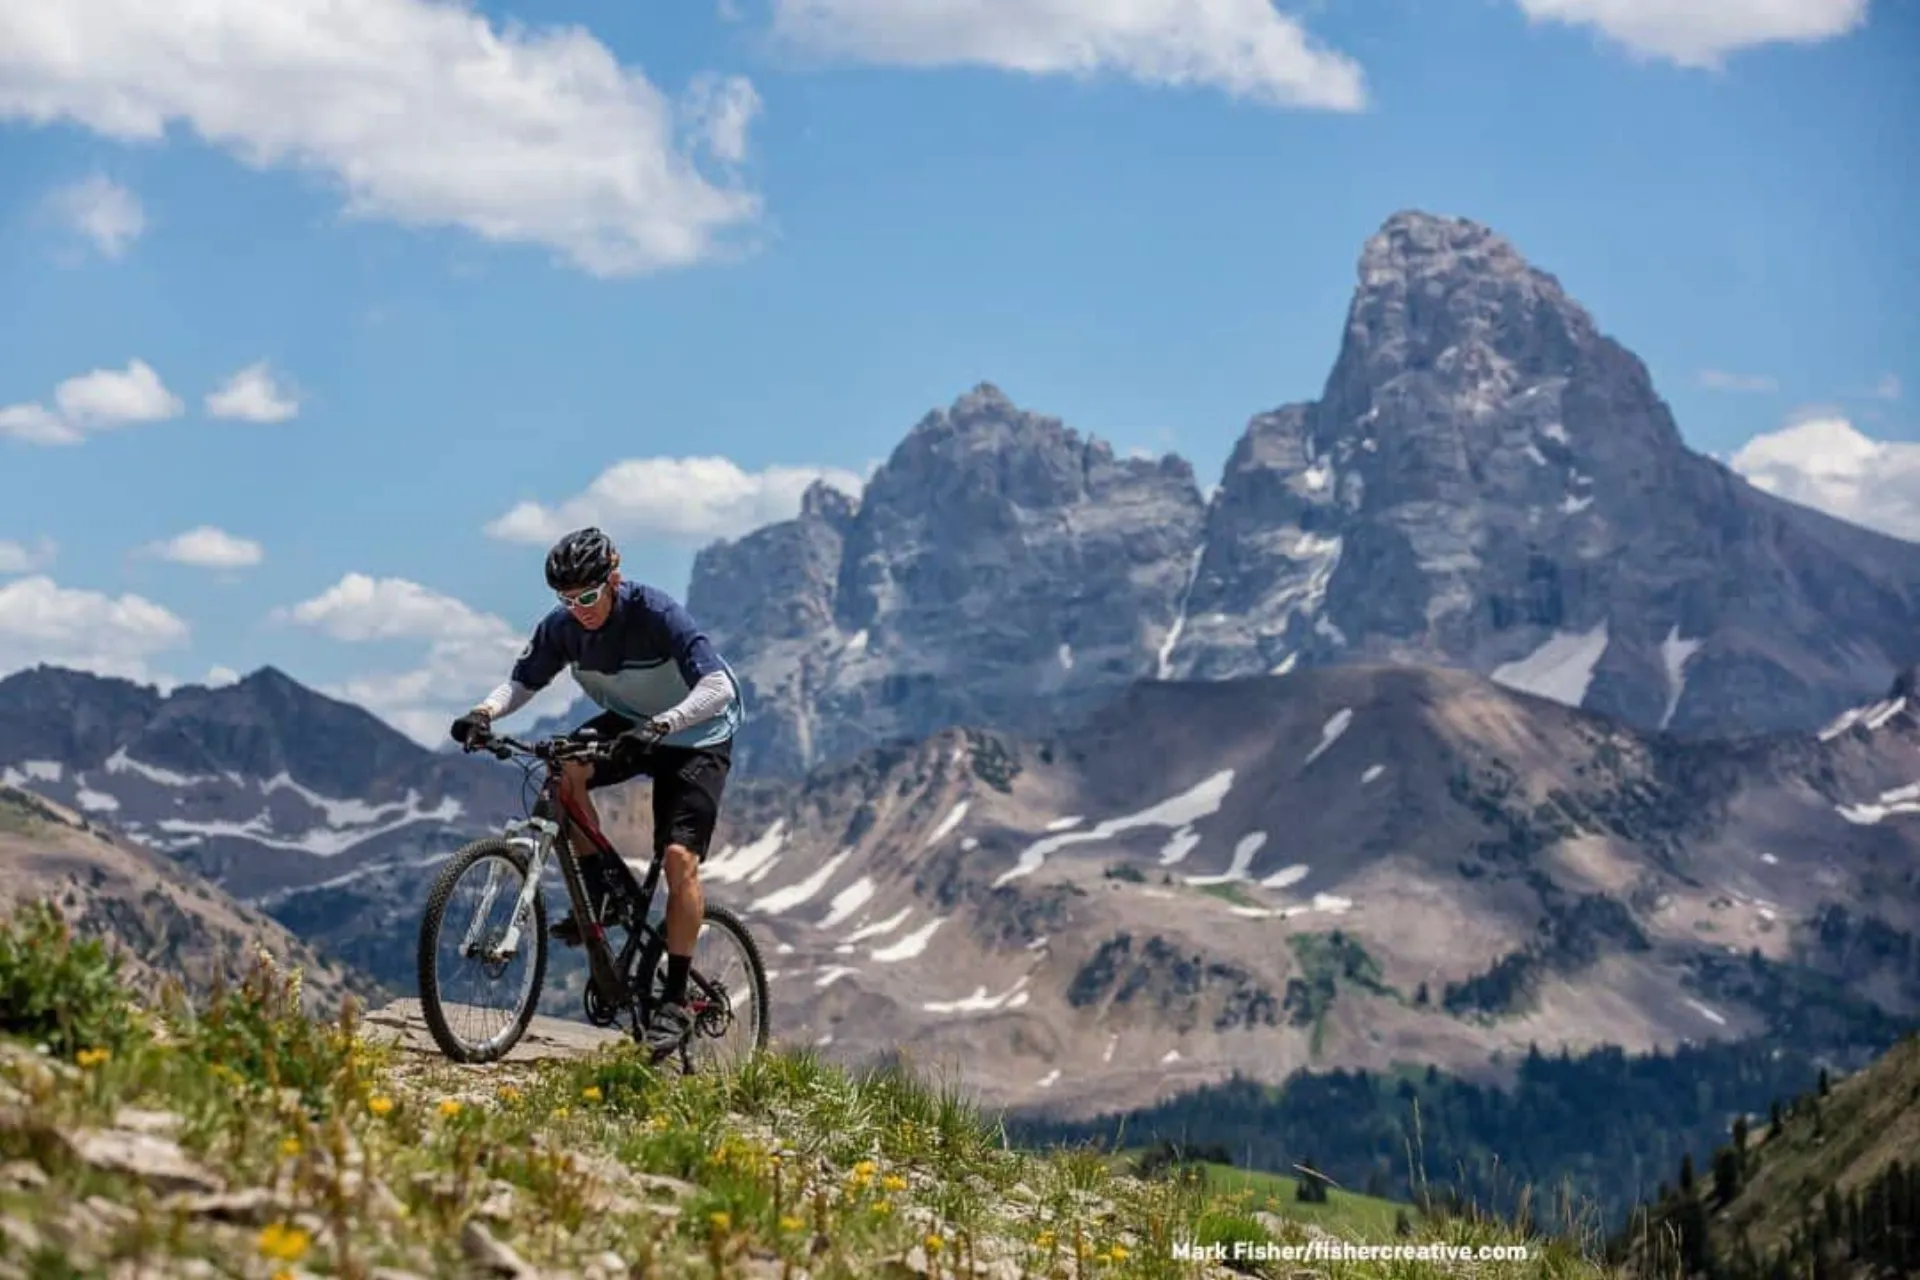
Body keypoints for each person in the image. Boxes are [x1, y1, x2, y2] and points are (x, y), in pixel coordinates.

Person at [449, 526, 744, 1063]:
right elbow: (523, 682)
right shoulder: (563, 627)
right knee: (564, 771)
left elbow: (719, 686)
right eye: (566, 599)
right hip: (633, 724)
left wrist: (663, 725)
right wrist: (484, 713)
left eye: (587, 596)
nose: (578, 609)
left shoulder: (656, 612)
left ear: (614, 578)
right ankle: (602, 892)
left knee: (678, 859)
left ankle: (675, 1000)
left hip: (698, 735)